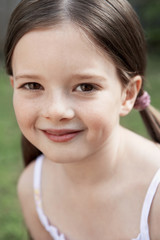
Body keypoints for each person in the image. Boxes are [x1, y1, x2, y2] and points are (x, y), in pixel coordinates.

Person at [4, 0, 160, 239]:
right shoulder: (33, 189)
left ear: (127, 94)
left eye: (85, 86)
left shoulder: (156, 199)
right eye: (32, 85)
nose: (55, 111)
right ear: (14, 86)